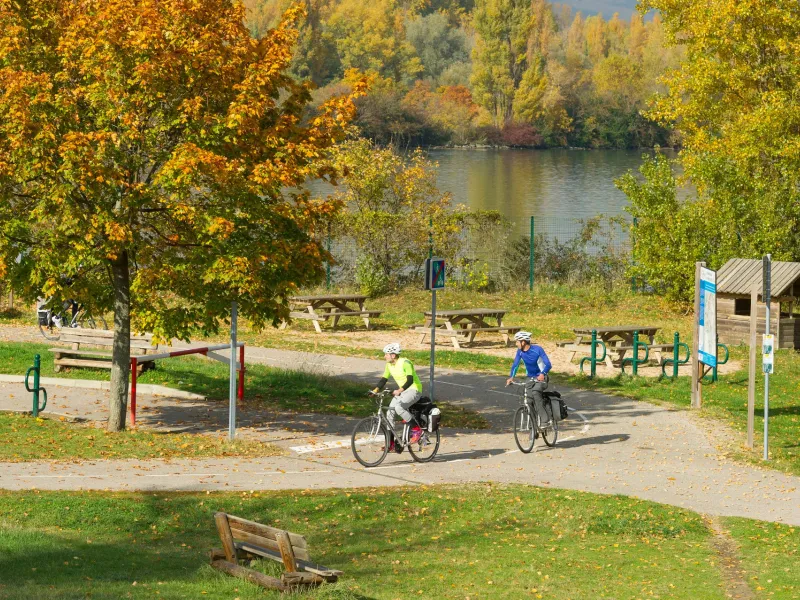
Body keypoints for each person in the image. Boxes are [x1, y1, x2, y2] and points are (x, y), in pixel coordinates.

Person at [372, 343, 424, 447]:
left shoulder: (405, 363)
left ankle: (417, 429)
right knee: (389, 413)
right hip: (402, 391)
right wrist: (375, 390)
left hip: (414, 389)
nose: (384, 356)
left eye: (386, 354)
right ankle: (390, 444)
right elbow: (384, 379)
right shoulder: (389, 365)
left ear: (393, 355)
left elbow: (410, 380)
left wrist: (399, 390)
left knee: (398, 407)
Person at [506, 331, 553, 427]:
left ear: (523, 342)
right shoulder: (520, 352)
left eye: (517, 342)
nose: (516, 344)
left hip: (542, 377)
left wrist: (543, 374)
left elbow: (548, 364)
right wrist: (511, 377)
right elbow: (515, 365)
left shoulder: (538, 350)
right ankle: (534, 425)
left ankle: (545, 420)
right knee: (528, 400)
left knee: (536, 392)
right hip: (530, 377)